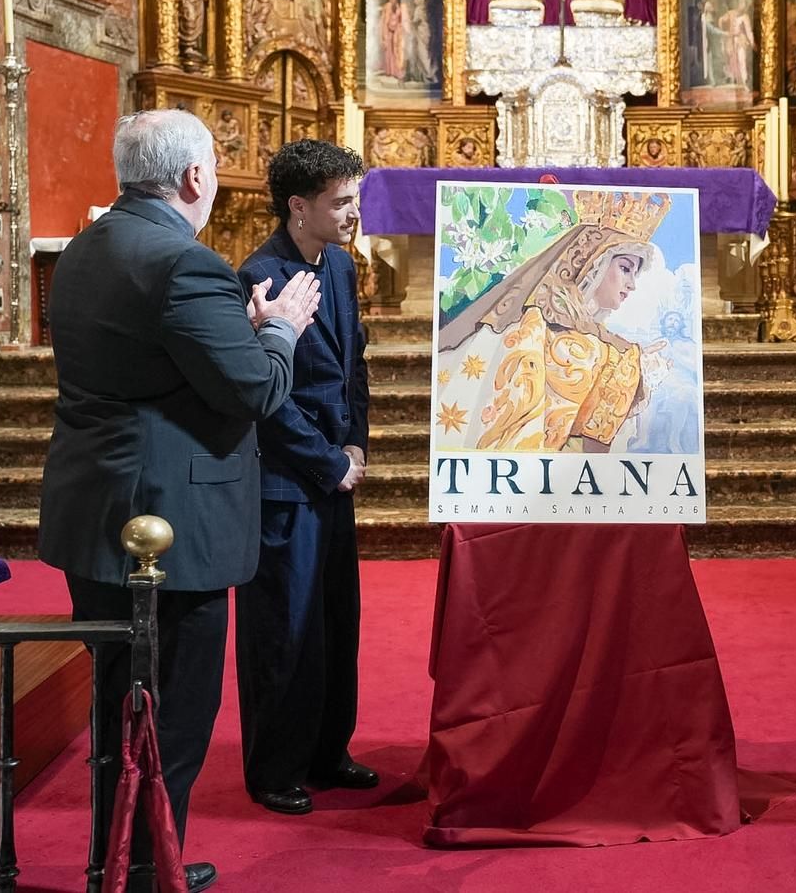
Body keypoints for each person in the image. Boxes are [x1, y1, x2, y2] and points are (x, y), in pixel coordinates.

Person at [39, 109, 321, 893]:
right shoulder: (184, 263)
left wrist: (241, 325)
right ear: (195, 178)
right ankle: (142, 872)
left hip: (98, 506)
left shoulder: (89, 247)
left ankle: (127, 858)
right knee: (171, 717)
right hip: (167, 528)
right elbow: (256, 389)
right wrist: (282, 330)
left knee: (121, 706)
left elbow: (156, 357)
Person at [235, 140, 376, 816]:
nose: (353, 211)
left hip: (333, 473)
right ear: (299, 207)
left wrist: (355, 444)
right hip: (286, 484)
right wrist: (327, 463)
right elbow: (265, 399)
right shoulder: (257, 276)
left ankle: (328, 751)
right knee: (283, 633)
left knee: (334, 624)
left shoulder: (343, 268)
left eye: (353, 197)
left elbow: (355, 369)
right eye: (340, 201)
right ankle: (274, 768)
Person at [433, 189, 672, 453]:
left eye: (635, 273)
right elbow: (571, 370)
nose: (632, 284)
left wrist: (633, 360)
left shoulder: (583, 325)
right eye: (625, 268)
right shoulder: (539, 318)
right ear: (594, 262)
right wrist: (635, 366)